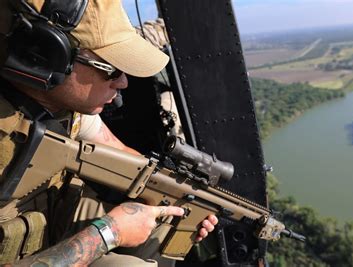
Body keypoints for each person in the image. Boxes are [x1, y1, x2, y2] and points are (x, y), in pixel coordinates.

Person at [0, 0, 217, 266]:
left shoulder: (62, 105)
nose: (124, 82)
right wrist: (109, 232)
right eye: (111, 69)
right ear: (45, 54)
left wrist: (176, 193)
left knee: (161, 225)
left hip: (46, 214)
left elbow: (118, 152)